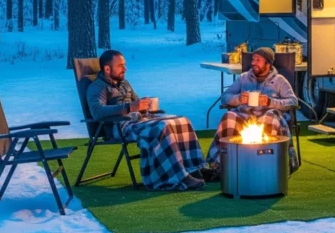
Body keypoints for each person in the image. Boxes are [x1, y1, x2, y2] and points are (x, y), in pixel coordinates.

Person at [86, 50, 209, 191]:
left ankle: (194, 168)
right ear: (107, 69)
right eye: (120, 66)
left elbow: (135, 102)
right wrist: (129, 107)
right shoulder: (98, 87)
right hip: (120, 126)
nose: (125, 69)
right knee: (161, 126)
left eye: (124, 65)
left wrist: (143, 105)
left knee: (181, 121)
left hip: (139, 120)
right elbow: (97, 111)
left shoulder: (124, 83)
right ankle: (178, 177)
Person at [207, 47, 299, 177]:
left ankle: (271, 164)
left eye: (258, 60)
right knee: (228, 117)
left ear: (268, 63)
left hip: (268, 115)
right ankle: (219, 164)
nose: (253, 63)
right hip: (245, 116)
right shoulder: (244, 78)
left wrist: (270, 102)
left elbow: (293, 102)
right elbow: (225, 97)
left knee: (270, 118)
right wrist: (238, 99)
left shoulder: (279, 80)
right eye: (253, 59)